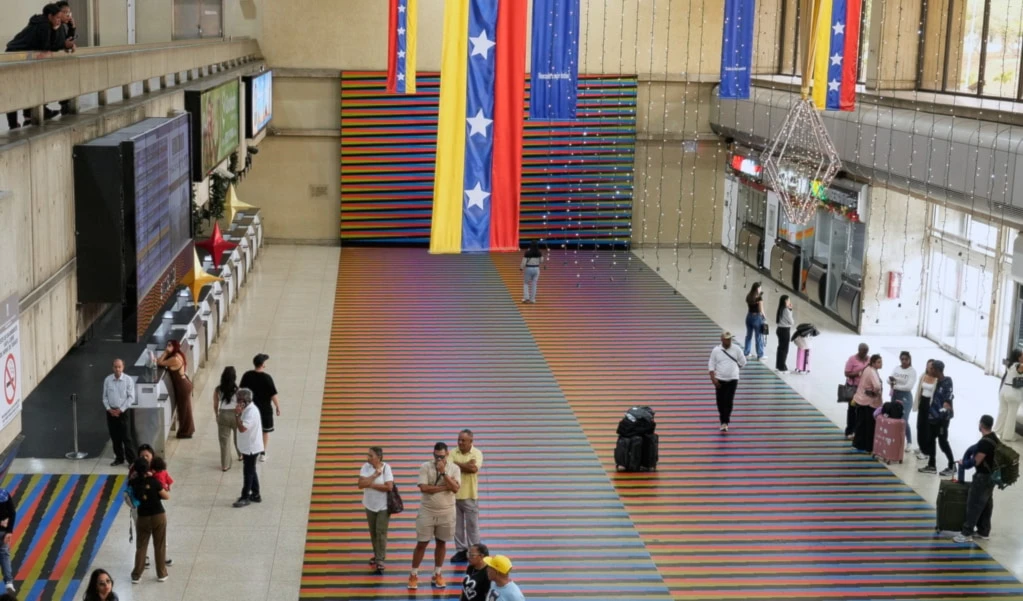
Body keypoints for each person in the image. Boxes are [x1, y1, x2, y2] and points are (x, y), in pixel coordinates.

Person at [5, 4, 70, 129]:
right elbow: (46, 46)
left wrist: (63, 40)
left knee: (16, 90)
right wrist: (56, 31)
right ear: (50, 16)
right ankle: (15, 122)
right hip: (16, 57)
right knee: (14, 91)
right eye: (57, 17)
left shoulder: (43, 23)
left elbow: (50, 46)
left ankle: (18, 121)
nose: (58, 20)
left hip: (16, 54)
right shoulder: (44, 25)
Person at [409, 442, 461, 590]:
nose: (438, 459)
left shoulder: (454, 468)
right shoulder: (425, 467)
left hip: (447, 512)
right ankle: (413, 574)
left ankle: (437, 573)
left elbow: (456, 488)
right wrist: (445, 487)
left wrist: (444, 473)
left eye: (441, 456)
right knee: (421, 543)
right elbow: (424, 488)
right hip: (427, 511)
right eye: (436, 456)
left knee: (441, 543)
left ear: (447, 454)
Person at [954, 415, 999, 543]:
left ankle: (967, 533)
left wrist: (964, 463)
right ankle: (983, 531)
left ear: (981, 424)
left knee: (974, 504)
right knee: (986, 505)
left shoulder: (984, 442)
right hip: (992, 477)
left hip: (983, 478)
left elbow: (977, 461)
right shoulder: (994, 438)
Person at [128, 457, 169, 584]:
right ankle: (161, 574)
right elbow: (166, 496)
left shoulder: (133, 483)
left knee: (141, 546)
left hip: (143, 517)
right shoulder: (154, 481)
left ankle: (136, 575)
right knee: (159, 545)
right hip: (158, 516)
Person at [358, 446, 394, 574]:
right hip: (369, 505)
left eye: (370, 456)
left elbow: (389, 487)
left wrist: (371, 484)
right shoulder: (365, 467)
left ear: (379, 457)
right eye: (367, 455)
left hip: (383, 506)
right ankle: (377, 554)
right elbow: (360, 484)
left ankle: (380, 560)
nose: (368, 458)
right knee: (373, 533)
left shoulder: (387, 468)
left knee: (381, 532)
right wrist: (374, 476)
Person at [451, 429, 484, 563]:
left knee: (472, 526)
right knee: (456, 527)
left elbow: (473, 469)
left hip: (470, 495)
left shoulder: (477, 453)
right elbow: (448, 468)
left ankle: (474, 552)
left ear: (471, 441)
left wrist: (456, 465)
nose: (460, 442)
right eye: (459, 440)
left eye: (463, 440)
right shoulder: (452, 452)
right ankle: (461, 551)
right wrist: (465, 465)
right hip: (453, 495)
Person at [240, 354, 280, 462]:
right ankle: (262, 453)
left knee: (248, 430)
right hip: (264, 410)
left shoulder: (247, 375)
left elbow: (241, 392)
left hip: (249, 409)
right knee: (265, 431)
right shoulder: (267, 378)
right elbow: (273, 394)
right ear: (262, 365)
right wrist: (277, 406)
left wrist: (241, 406)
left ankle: (246, 452)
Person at [919, 360, 956, 477]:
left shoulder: (947, 381)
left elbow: (948, 398)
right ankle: (931, 464)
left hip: (942, 419)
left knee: (943, 442)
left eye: (932, 369)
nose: (930, 371)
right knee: (930, 440)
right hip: (932, 416)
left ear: (937, 370)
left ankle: (952, 465)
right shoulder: (934, 381)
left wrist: (944, 410)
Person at [708, 331, 746, 432]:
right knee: (720, 402)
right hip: (720, 380)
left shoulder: (737, 349)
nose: (729, 341)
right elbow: (711, 365)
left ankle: (725, 422)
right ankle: (723, 419)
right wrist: (713, 379)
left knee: (728, 401)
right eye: (727, 339)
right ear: (722, 339)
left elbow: (743, 362)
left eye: (730, 339)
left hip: (733, 379)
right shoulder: (716, 350)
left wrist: (735, 370)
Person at [233, 388, 264, 507]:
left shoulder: (251, 412)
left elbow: (242, 428)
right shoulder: (247, 409)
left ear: (244, 401)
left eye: (239, 400)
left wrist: (237, 414)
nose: (237, 402)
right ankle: (256, 494)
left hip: (251, 448)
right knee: (251, 470)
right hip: (248, 447)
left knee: (248, 473)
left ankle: (245, 496)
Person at [157, 340, 194, 439]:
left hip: (182, 386)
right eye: (167, 345)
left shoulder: (174, 359)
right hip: (183, 383)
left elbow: (159, 362)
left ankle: (185, 432)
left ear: (174, 347)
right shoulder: (178, 354)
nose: (167, 347)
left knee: (184, 410)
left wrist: (165, 352)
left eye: (169, 345)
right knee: (186, 408)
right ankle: (188, 430)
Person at [102, 359, 136, 467]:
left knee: (126, 437)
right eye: (115, 367)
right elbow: (104, 397)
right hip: (111, 413)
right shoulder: (108, 380)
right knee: (115, 437)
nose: (117, 369)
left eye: (119, 367)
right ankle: (119, 458)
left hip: (123, 412)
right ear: (112, 368)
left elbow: (131, 398)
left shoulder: (128, 380)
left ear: (123, 367)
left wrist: (120, 410)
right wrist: (109, 409)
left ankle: (132, 461)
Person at [852, 354, 883, 453]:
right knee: (869, 425)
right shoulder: (872, 372)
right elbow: (877, 386)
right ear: (873, 363)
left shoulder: (867, 369)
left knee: (861, 423)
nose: (881, 364)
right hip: (869, 402)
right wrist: (876, 393)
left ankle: (858, 444)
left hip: (860, 400)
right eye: (879, 362)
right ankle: (868, 447)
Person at [888, 351, 917, 449]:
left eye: (906, 359)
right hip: (895, 396)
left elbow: (908, 387)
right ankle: (895, 439)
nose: (904, 361)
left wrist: (895, 385)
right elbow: (889, 380)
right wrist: (893, 382)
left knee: (904, 419)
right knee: (893, 417)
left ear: (909, 359)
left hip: (905, 397)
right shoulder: (897, 368)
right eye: (902, 359)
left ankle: (909, 441)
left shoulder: (912, 371)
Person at [214, 366, 241, 471]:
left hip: (223, 415)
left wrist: (217, 415)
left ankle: (225, 465)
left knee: (224, 441)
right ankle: (240, 455)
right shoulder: (238, 390)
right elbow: (241, 405)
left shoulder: (218, 389)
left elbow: (215, 404)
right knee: (238, 437)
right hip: (235, 415)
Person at [843, 343, 871, 438]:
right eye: (863, 351)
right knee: (852, 409)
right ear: (859, 350)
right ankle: (849, 430)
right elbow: (846, 373)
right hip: (853, 388)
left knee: (861, 411)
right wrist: (858, 373)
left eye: (866, 352)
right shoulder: (852, 359)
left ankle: (857, 431)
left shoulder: (869, 359)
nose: (865, 354)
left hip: (863, 389)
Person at [995, 349, 1023, 443]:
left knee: (1002, 412)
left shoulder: (1010, 364)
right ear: (1018, 357)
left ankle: (998, 430)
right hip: (1013, 393)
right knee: (1011, 415)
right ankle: (1007, 436)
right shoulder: (1018, 365)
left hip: (1004, 390)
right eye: (1022, 355)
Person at [915, 359, 938, 461]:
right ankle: (921, 446)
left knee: (927, 428)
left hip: (930, 404)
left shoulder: (937, 380)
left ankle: (926, 451)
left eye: (932, 367)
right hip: (922, 403)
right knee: (920, 426)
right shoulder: (923, 376)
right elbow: (919, 390)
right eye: (928, 366)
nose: (930, 368)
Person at [743, 282, 766, 360]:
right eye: (760, 288)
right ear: (757, 289)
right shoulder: (759, 298)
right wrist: (764, 316)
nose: (761, 289)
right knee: (758, 337)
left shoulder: (749, 296)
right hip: (757, 318)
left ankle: (746, 353)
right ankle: (760, 355)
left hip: (749, 317)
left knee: (748, 336)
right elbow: (761, 310)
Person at [0, 488, 15, 594]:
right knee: (4, 554)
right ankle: (9, 582)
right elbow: (12, 513)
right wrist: (9, 530)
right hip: (3, 532)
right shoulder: (4, 493)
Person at [775, 295, 794, 372]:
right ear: (785, 301)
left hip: (780, 329)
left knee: (780, 348)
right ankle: (782, 367)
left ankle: (779, 365)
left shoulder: (781, 308)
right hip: (785, 330)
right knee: (784, 349)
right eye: (789, 300)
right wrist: (790, 310)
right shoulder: (786, 310)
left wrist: (790, 309)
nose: (790, 302)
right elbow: (791, 321)